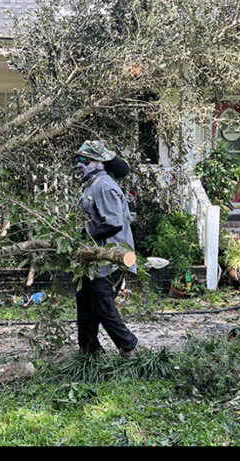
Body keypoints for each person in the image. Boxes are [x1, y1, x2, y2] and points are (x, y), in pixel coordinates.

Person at [75, 140, 138, 359]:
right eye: (79, 159)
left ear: (97, 162)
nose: (79, 164)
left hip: (112, 256)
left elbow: (114, 223)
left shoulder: (104, 185)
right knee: (84, 299)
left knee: (102, 302)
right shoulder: (93, 183)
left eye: (84, 159)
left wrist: (85, 237)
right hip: (95, 257)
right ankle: (89, 351)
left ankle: (128, 346)